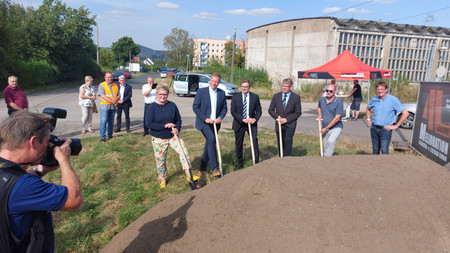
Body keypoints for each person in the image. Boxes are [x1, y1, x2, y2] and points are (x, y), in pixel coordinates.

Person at [0, 111, 82, 252]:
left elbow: (11, 183)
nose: (49, 146)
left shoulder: (8, 172)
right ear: (32, 142)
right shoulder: (24, 186)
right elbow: (73, 199)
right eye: (46, 141)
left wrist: (40, 170)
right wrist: (63, 159)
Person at [145, 85, 197, 188]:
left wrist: (177, 128)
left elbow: (178, 119)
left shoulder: (172, 105)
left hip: (173, 136)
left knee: (184, 153)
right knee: (160, 160)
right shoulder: (152, 107)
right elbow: (148, 124)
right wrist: (164, 126)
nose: (163, 96)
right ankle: (163, 178)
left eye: (165, 94)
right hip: (159, 138)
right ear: (157, 94)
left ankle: (189, 176)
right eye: (161, 94)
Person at [192, 72, 227, 177]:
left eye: (216, 82)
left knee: (209, 144)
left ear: (219, 83)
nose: (214, 83)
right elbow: (195, 107)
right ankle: (215, 169)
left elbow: (224, 108)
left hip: (215, 124)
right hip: (204, 123)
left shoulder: (221, 93)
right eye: (213, 81)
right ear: (210, 80)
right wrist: (205, 118)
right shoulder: (201, 92)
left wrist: (220, 117)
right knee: (212, 140)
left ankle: (202, 169)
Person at [366, 81, 409, 154]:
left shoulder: (393, 100)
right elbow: (368, 108)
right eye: (378, 89)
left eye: (382, 89)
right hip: (374, 128)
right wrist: (368, 119)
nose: (380, 91)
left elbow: (405, 113)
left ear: (386, 90)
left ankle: (385, 165)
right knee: (375, 149)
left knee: (384, 150)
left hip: (385, 130)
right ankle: (374, 164)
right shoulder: (374, 99)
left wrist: (396, 126)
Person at [231, 78, 262, 168]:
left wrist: (254, 119)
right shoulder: (235, 96)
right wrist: (242, 119)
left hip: (251, 124)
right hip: (239, 123)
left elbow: (259, 111)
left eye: (246, 87)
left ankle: (256, 163)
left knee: (254, 141)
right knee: (239, 144)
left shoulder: (255, 97)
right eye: (242, 86)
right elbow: (233, 112)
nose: (244, 88)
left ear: (249, 87)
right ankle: (239, 164)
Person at [268, 78, 302, 157]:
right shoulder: (276, 96)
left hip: (290, 124)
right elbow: (271, 110)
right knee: (280, 141)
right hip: (279, 123)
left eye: (286, 86)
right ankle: (281, 158)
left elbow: (298, 112)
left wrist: (287, 119)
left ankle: (287, 159)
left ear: (291, 87)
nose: (284, 88)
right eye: (283, 86)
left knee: (288, 141)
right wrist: (277, 117)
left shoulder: (296, 97)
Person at [316, 84, 343, 156]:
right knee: (325, 143)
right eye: (327, 90)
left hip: (336, 127)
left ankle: (328, 159)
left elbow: (337, 118)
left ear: (335, 92)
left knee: (330, 141)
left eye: (330, 91)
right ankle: (326, 158)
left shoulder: (339, 102)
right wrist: (320, 115)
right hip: (324, 126)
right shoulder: (322, 100)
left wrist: (327, 128)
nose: (328, 92)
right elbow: (319, 108)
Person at [98, 72, 119, 142]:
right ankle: (102, 137)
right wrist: (112, 101)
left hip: (113, 107)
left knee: (111, 122)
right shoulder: (102, 85)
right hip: (105, 107)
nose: (110, 78)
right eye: (108, 77)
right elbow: (102, 95)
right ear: (105, 78)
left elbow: (119, 95)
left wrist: (116, 100)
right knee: (103, 122)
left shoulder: (115, 85)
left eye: (111, 77)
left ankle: (110, 135)